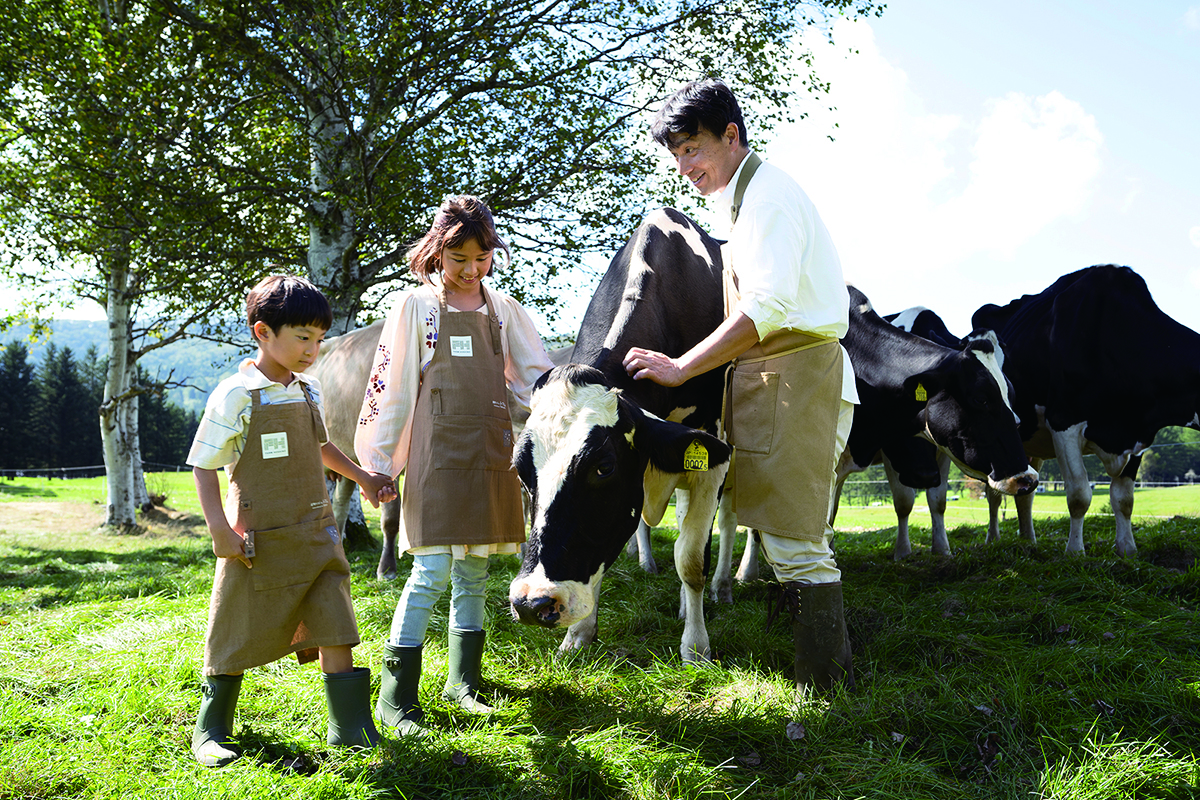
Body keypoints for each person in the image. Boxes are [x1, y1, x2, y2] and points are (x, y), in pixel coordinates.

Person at [622, 79, 860, 691]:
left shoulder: (768, 200)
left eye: (694, 149)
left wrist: (679, 368)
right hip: (775, 376)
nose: (685, 167)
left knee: (792, 537)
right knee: (786, 534)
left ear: (732, 135)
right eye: (675, 156)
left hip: (799, 372)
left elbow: (769, 307)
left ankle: (827, 686)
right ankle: (822, 672)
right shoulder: (742, 199)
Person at [355, 195, 554, 736]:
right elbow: (390, 384)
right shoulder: (414, 308)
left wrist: (574, 404)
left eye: (482, 258)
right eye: (459, 258)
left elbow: (535, 376)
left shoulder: (502, 309)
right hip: (436, 455)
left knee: (475, 572)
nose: (471, 270)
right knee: (430, 573)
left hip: (491, 451)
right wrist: (377, 463)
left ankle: (464, 683)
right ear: (437, 252)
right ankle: (396, 700)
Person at [187, 274, 397, 766]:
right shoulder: (235, 395)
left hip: (317, 534)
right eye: (303, 337)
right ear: (263, 332)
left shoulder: (310, 390)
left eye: (319, 339)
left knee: (336, 622)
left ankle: (349, 728)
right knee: (233, 630)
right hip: (255, 542)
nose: (313, 349)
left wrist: (363, 477)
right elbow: (202, 464)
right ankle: (212, 729)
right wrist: (219, 529)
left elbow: (321, 447)